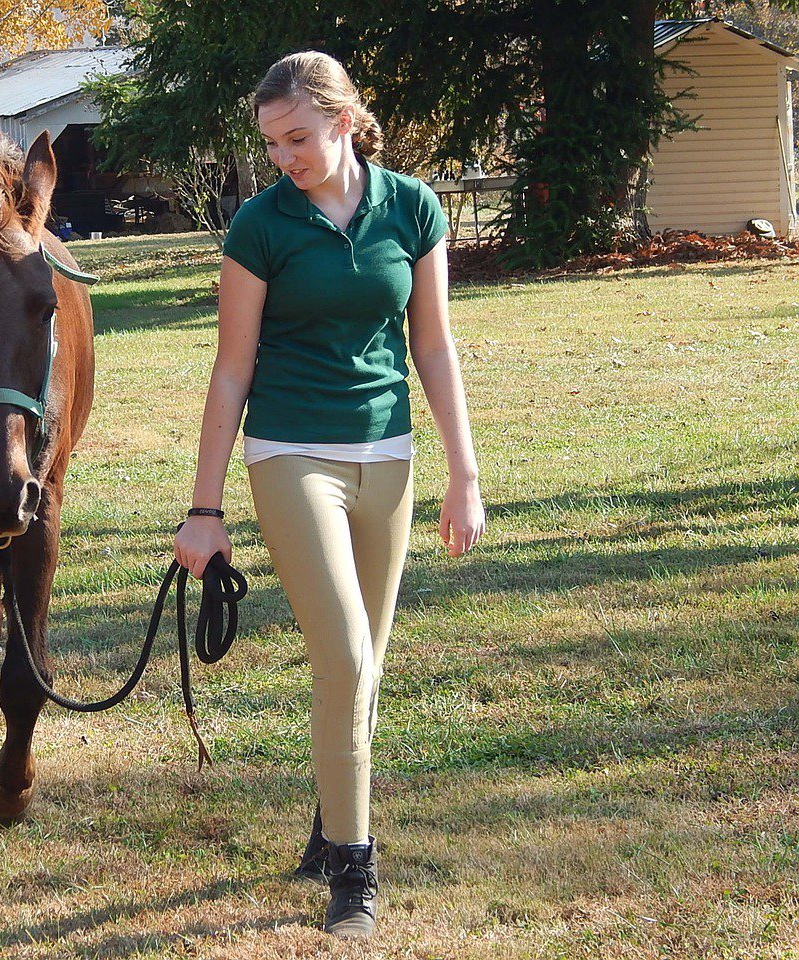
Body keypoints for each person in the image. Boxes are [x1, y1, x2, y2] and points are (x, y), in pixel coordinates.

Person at [173, 51, 486, 939]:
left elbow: (433, 347)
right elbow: (232, 369)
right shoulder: (260, 226)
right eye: (272, 143)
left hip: (388, 453)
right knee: (345, 654)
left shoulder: (412, 206)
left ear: (344, 121)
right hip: (290, 452)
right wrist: (205, 508)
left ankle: (325, 822)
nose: (284, 158)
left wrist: (464, 473)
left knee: (364, 665)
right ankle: (354, 872)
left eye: (298, 138)